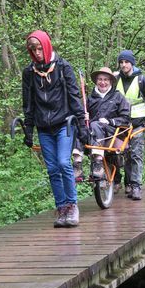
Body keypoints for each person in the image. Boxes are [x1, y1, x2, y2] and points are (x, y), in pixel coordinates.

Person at [22, 30, 88, 228]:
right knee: (51, 169)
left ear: (46, 45)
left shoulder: (62, 67)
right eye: (32, 49)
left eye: (39, 48)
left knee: (63, 163)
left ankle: (72, 205)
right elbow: (28, 102)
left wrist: (82, 124)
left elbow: (75, 96)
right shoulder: (29, 72)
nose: (37, 52)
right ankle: (61, 208)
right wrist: (28, 127)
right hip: (44, 127)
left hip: (64, 125)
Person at [115, 49, 145, 201]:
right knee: (123, 154)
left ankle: (136, 186)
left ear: (132, 63)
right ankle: (126, 183)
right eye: (121, 62)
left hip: (138, 123)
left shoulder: (142, 79)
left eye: (126, 62)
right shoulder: (115, 79)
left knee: (136, 155)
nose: (123, 65)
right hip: (120, 124)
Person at [72, 67, 130, 180]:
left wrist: (110, 121)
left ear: (111, 81)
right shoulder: (89, 98)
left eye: (106, 79)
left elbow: (126, 119)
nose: (102, 82)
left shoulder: (118, 97)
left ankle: (98, 163)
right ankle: (77, 164)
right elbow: (81, 116)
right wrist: (84, 118)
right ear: (96, 81)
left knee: (95, 125)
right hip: (92, 132)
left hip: (111, 132)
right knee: (79, 128)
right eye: (100, 79)